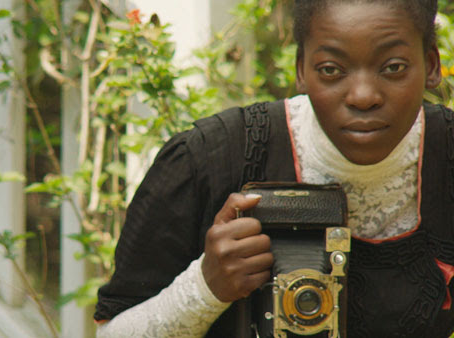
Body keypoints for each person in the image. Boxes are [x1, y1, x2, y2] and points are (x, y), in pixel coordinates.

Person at [94, 0, 454, 337]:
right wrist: (205, 288)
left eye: (393, 68)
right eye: (331, 70)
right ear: (300, 70)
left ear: (433, 65)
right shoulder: (209, 161)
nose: (363, 96)